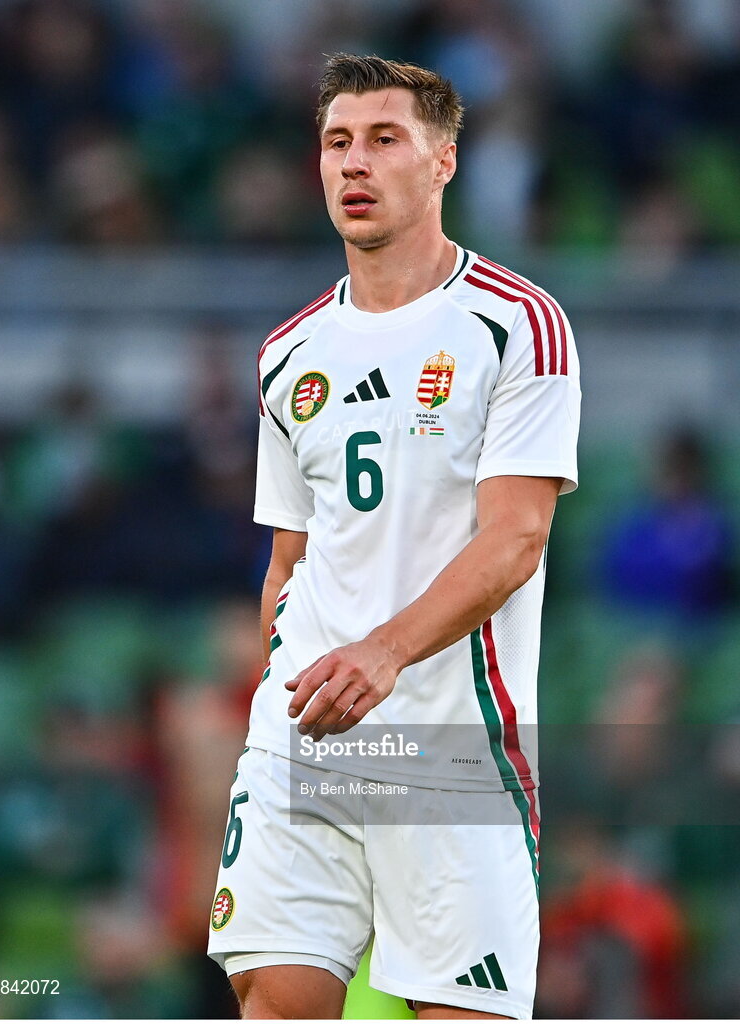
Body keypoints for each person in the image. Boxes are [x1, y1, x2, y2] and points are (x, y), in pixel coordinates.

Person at [208, 54, 580, 1020]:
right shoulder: (287, 354)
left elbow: (517, 540)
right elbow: (289, 558)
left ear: (445, 161)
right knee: (275, 999)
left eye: (385, 139)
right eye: (337, 143)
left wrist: (384, 652)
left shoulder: (517, 326)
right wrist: (284, 693)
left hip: (450, 744)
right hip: (308, 732)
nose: (354, 165)